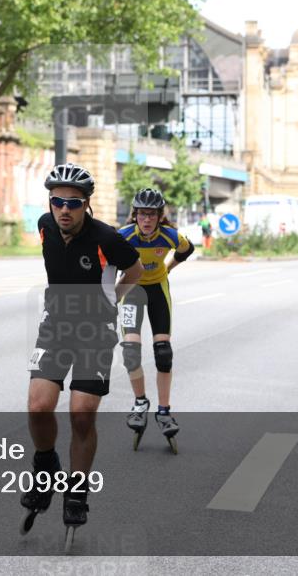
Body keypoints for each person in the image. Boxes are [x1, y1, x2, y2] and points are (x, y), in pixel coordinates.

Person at [21, 162, 143, 538]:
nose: (64, 209)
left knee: (81, 414)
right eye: (57, 201)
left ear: (86, 204)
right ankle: (46, 465)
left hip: (94, 332)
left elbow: (136, 270)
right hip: (55, 327)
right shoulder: (45, 226)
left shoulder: (106, 238)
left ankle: (76, 491)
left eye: (73, 203)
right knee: (38, 405)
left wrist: (112, 298)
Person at [117, 188, 195, 452]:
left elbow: (187, 249)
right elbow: (108, 264)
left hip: (158, 289)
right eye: (142, 214)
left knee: (163, 353)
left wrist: (168, 268)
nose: (147, 220)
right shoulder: (124, 236)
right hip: (132, 289)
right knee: (130, 352)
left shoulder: (170, 235)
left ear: (160, 216)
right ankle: (140, 402)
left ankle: (163, 411)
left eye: (152, 215)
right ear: (135, 215)